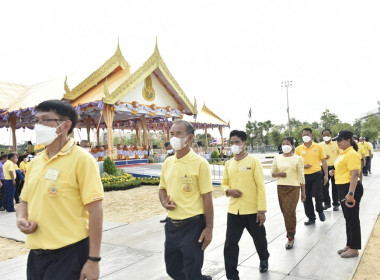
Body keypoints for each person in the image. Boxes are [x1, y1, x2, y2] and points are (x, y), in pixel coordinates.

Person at [16, 100, 104, 280]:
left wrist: (93, 259)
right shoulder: (36, 163)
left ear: (65, 125)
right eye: (37, 120)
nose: (39, 126)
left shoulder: (82, 160)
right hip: (36, 253)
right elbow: (24, 201)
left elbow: (95, 210)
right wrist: (21, 218)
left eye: (45, 120)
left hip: (69, 253)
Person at [158, 120, 213, 280]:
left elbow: (207, 198)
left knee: (192, 271)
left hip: (193, 226)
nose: (173, 138)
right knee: (172, 269)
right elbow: (162, 189)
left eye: (178, 134)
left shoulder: (200, 163)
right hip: (172, 226)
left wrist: (209, 229)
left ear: (189, 138)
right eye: (172, 134)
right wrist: (163, 202)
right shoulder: (168, 163)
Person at [222, 130, 270, 278]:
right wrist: (228, 190)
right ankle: (232, 275)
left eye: (237, 142)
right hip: (234, 211)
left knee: (259, 238)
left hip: (252, 210)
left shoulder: (253, 161)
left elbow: (260, 186)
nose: (234, 145)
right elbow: (224, 183)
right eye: (231, 142)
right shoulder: (228, 163)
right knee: (230, 244)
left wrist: (261, 210)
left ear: (244, 143)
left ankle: (263, 258)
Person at [330, 130, 363, 258]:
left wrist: (351, 193)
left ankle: (354, 248)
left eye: (340, 140)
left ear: (348, 140)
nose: (337, 142)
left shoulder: (352, 154)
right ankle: (349, 244)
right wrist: (334, 172)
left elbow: (354, 175)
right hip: (343, 188)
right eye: (337, 140)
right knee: (348, 219)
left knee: (353, 219)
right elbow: (344, 169)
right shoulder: (343, 153)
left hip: (351, 189)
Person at [271, 137, 306, 249]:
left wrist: (303, 192)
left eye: (287, 144)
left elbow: (301, 176)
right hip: (281, 187)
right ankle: (291, 230)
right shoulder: (277, 158)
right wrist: (279, 174)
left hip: (294, 188)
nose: (285, 146)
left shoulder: (298, 158)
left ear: (292, 146)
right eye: (283, 144)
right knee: (285, 212)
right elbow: (272, 173)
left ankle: (290, 237)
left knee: (290, 212)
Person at [295, 128, 328, 225]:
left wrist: (326, 175)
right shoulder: (298, 149)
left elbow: (324, 161)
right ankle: (311, 218)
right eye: (303, 135)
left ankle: (320, 210)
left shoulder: (318, 147)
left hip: (317, 174)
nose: (305, 136)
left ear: (311, 136)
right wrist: (303, 166)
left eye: (307, 134)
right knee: (306, 198)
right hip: (304, 176)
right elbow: (295, 163)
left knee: (318, 195)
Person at [319, 129, 340, 211]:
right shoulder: (320, 145)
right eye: (324, 135)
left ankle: (336, 204)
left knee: (335, 186)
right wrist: (323, 157)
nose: (326, 137)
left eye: (327, 135)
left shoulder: (336, 144)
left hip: (334, 168)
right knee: (324, 186)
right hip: (324, 168)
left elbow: (341, 155)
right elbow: (317, 156)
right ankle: (327, 203)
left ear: (331, 135)